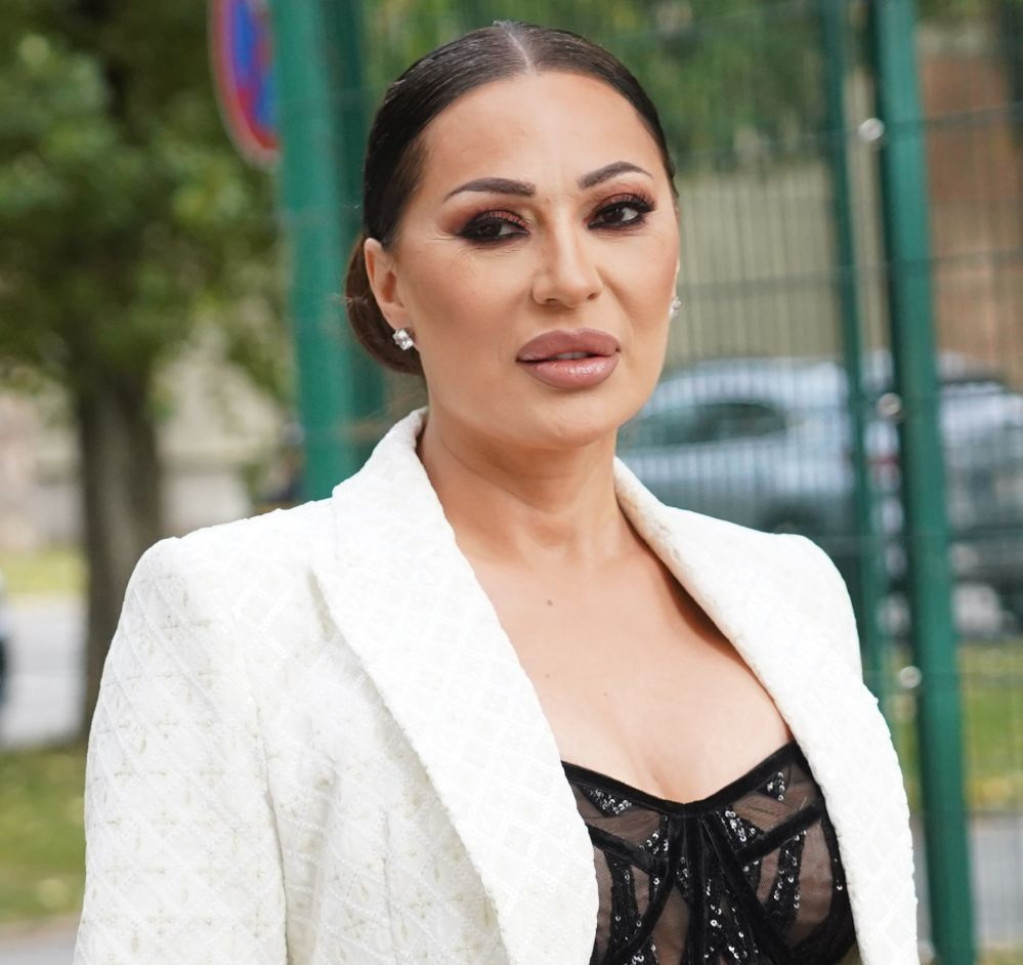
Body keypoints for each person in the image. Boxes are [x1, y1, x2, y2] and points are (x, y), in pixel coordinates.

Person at [74, 22, 916, 965]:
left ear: (674, 247)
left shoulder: (787, 590)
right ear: (390, 284)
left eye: (618, 212)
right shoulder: (235, 614)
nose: (570, 279)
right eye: (493, 227)